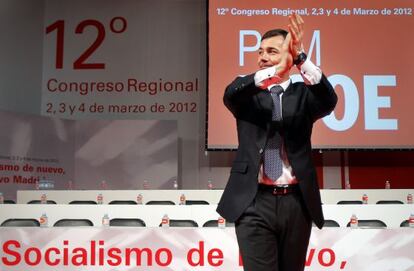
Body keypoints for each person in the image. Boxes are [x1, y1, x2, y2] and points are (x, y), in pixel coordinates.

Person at [217, 13, 337, 271]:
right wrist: (275, 70)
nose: (262, 57)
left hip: (296, 202)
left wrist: (301, 59)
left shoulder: (303, 96)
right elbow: (230, 94)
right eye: (260, 52)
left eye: (272, 51)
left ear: (289, 54)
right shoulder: (247, 94)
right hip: (254, 201)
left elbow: (329, 101)